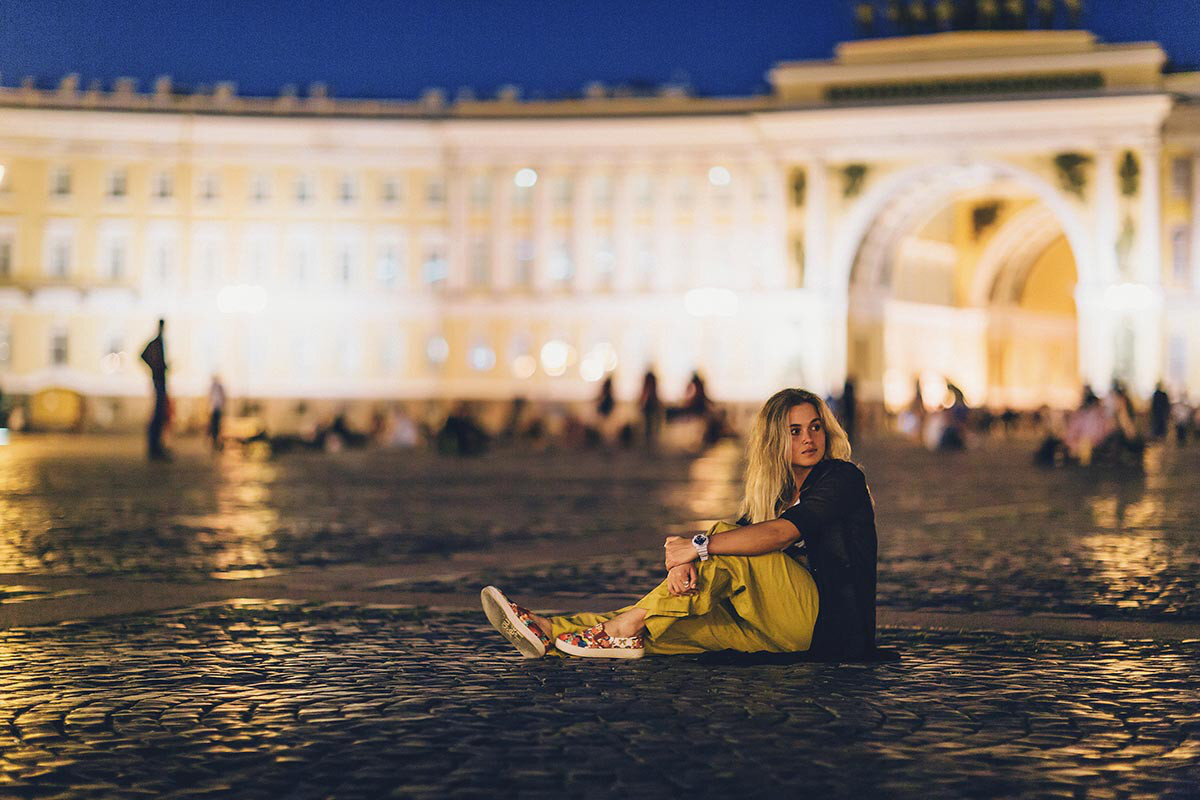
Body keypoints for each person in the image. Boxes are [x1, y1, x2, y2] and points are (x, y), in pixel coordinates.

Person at [481, 388, 879, 661]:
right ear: (775, 438)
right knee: (667, 629)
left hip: (828, 626)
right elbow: (735, 545)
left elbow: (780, 534)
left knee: (726, 538)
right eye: (795, 430)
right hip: (775, 631)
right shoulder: (774, 494)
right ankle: (551, 632)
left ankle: (621, 623)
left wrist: (698, 546)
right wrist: (695, 559)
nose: (810, 438)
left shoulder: (840, 478)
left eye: (815, 426)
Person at [139, 318, 170, 460]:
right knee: (157, 415)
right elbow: (143, 355)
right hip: (158, 380)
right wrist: (156, 368)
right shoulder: (157, 342)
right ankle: (154, 447)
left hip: (160, 380)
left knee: (160, 414)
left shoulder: (159, 342)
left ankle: (156, 446)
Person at [638, 369, 662, 448]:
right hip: (651, 404)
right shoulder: (652, 383)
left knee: (649, 425)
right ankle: (650, 442)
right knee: (650, 425)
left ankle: (649, 443)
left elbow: (646, 393)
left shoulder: (649, 384)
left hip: (650, 404)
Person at [208, 375, 226, 452]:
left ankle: (216, 441)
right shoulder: (215, 387)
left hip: (216, 409)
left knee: (216, 426)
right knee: (215, 426)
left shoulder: (217, 387)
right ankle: (215, 441)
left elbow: (221, 398)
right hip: (215, 409)